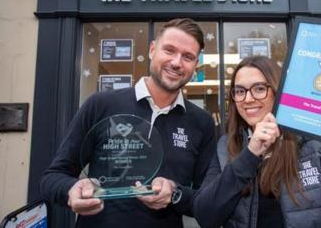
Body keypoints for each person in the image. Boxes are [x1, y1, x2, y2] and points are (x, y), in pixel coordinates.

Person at [40, 18, 216, 228]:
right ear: (152, 50)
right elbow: (52, 178)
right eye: (169, 50)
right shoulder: (101, 105)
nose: (177, 62)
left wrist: (175, 193)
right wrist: (71, 189)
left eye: (188, 57)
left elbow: (206, 200)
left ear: (195, 64)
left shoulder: (201, 122)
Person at [193, 56, 321, 228]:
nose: (248, 99)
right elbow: (205, 215)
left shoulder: (315, 146)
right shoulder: (226, 146)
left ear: (277, 91)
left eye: (259, 88)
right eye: (240, 91)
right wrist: (249, 154)